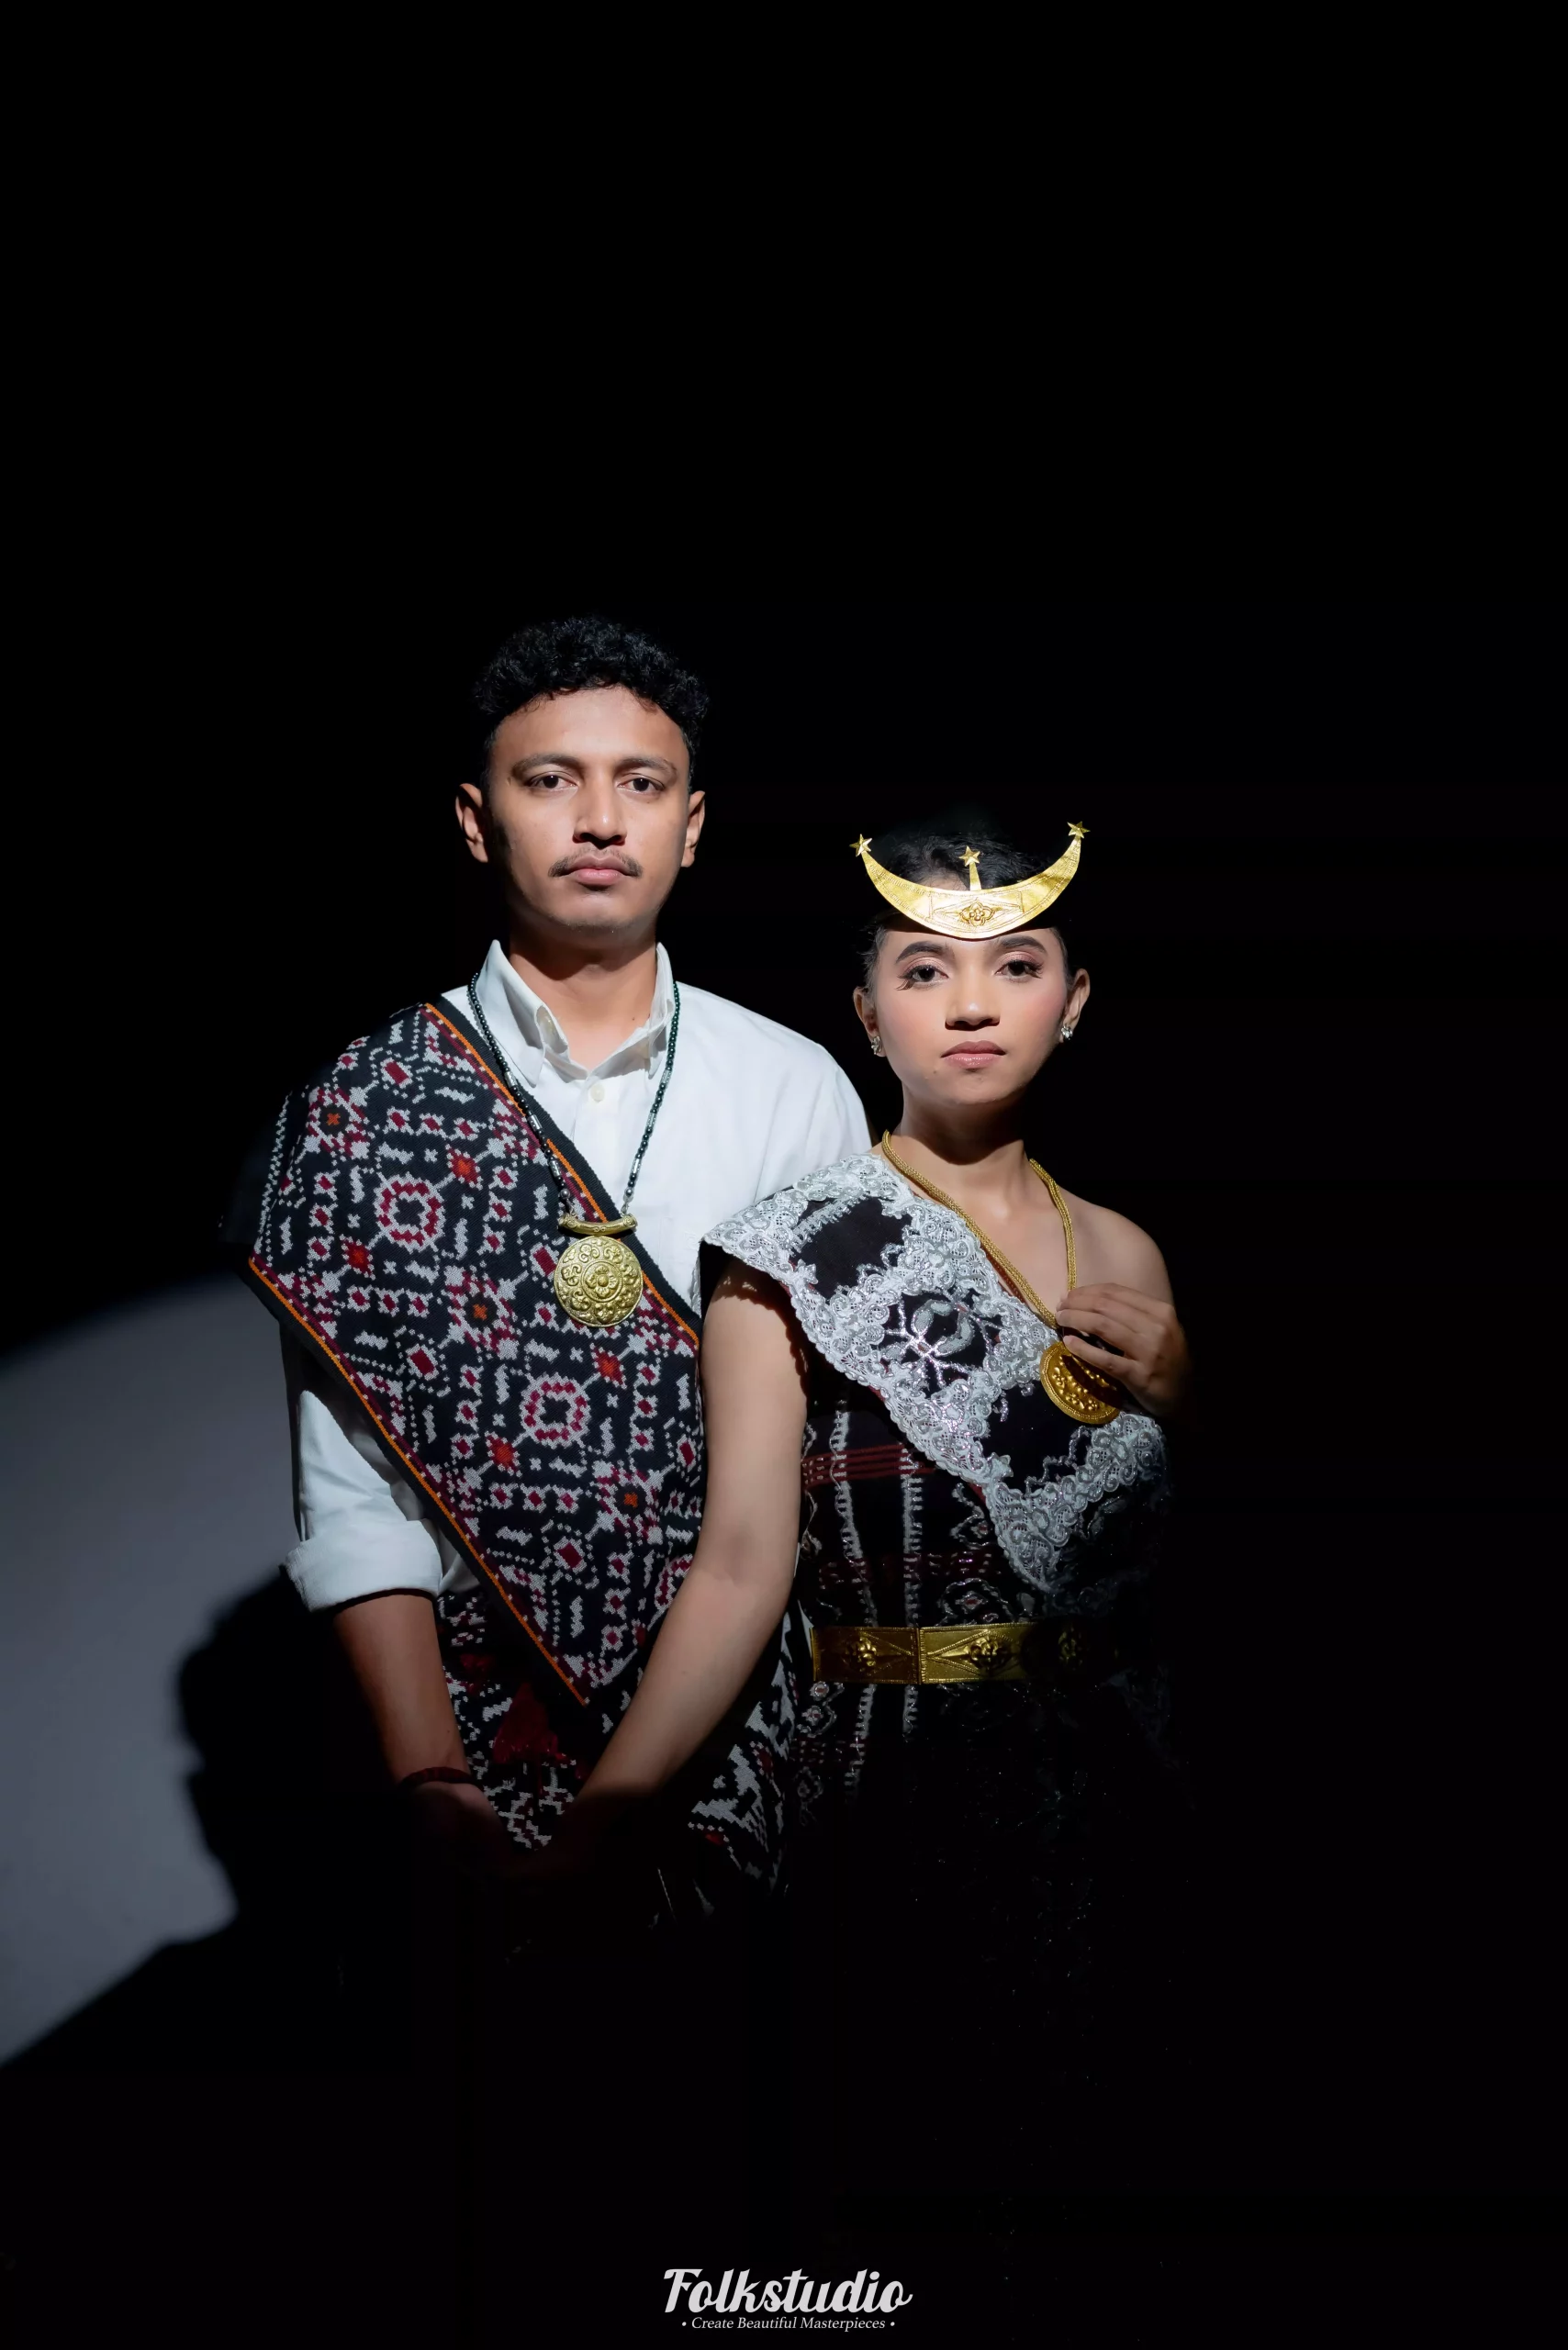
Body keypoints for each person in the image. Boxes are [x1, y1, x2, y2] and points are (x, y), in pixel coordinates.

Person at [550, 811, 1193, 2195]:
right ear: (866, 1014)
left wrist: (1193, 1403)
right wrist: (611, 1810)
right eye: (923, 970)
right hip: (893, 1794)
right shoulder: (793, 1255)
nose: (972, 1004)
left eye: (1017, 965)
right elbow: (741, 1568)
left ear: (1075, 1000)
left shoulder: (1128, 1254)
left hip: (1115, 1792)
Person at [228, 616, 868, 1908]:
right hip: (462, 1720)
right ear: (477, 821)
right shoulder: (370, 1103)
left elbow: (822, 1476)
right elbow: (355, 1497)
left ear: (693, 824)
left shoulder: (794, 1090)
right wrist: (433, 1778)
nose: (600, 820)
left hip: (741, 1728)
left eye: (643, 783)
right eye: (551, 780)